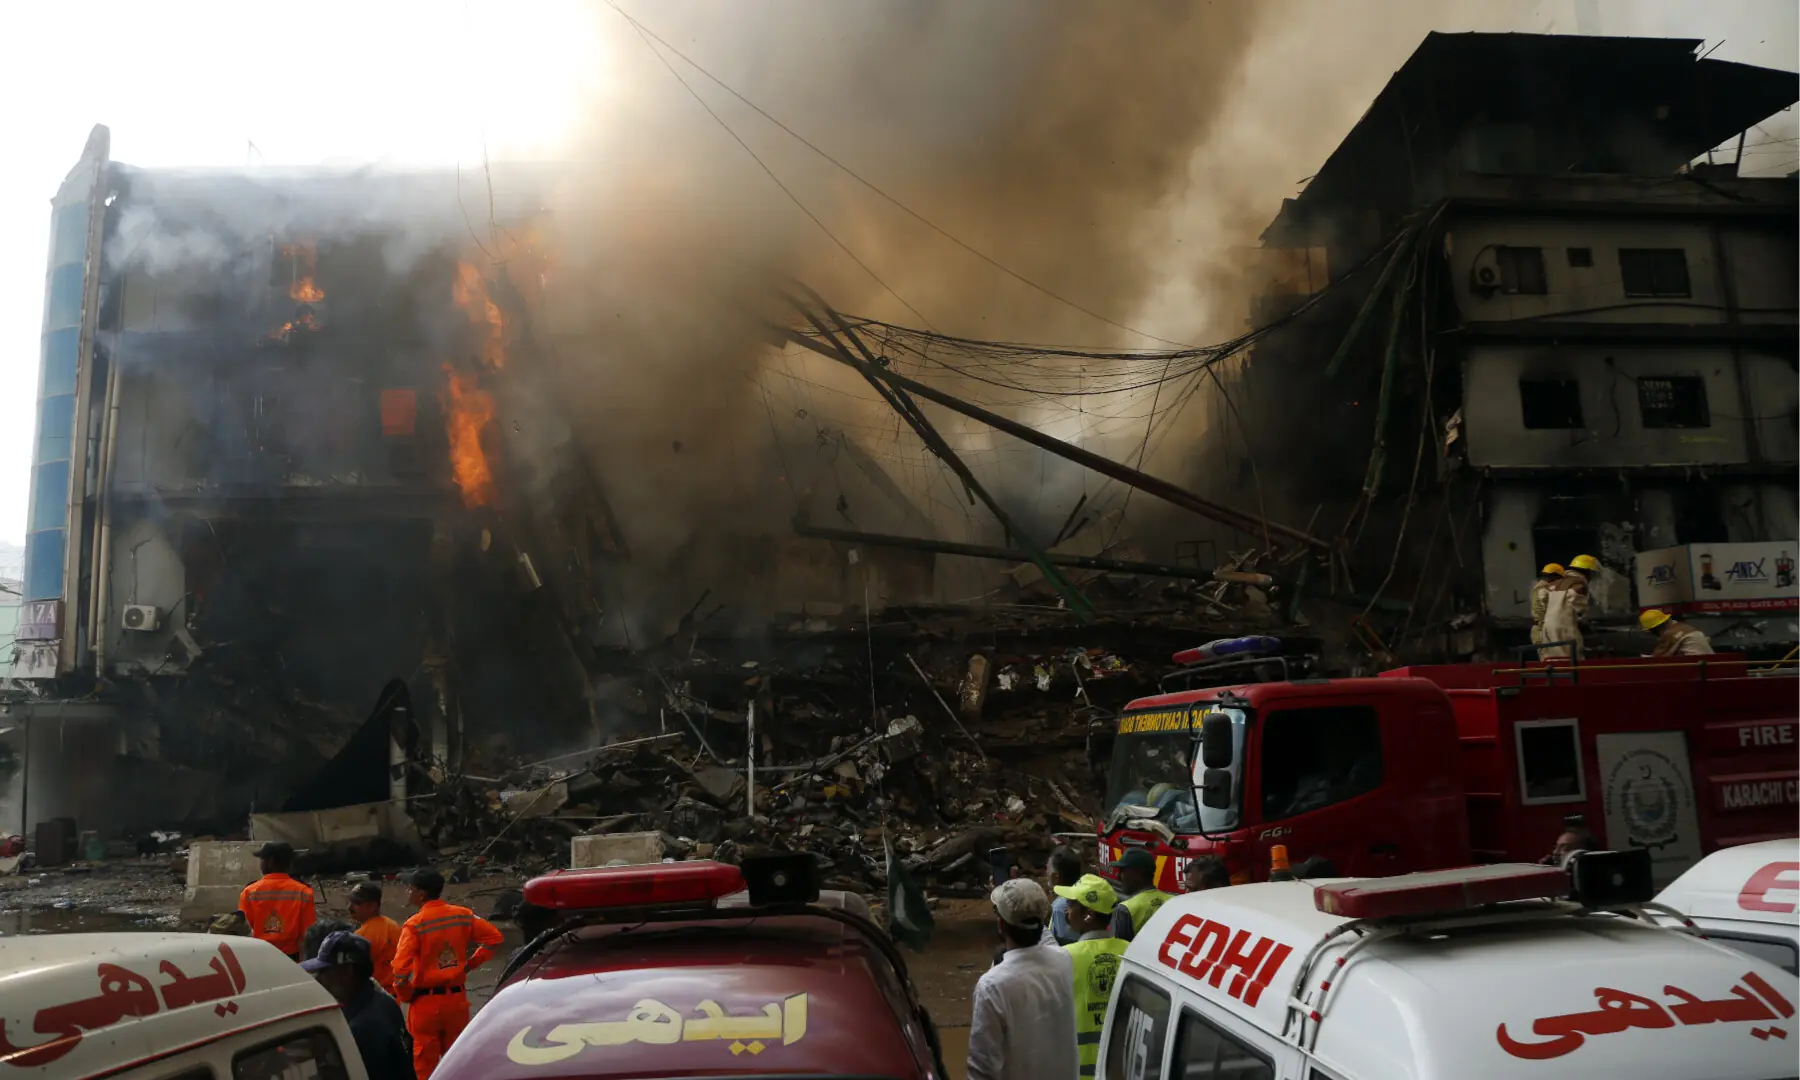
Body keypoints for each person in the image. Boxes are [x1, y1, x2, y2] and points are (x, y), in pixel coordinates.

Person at [392, 868, 506, 1080]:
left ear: (421, 894)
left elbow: (400, 970)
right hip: (456, 1001)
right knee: (458, 1060)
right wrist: (469, 965)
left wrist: (405, 994)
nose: (408, 891)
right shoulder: (462, 915)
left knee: (426, 1066)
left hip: (425, 1003)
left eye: (411, 888)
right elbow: (494, 938)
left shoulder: (415, 925)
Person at [966, 878, 1078, 1080]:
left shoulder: (992, 986)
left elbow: (982, 1068)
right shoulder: (1063, 961)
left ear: (1000, 924)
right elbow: (1041, 938)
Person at [303, 930, 415, 1080]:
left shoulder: (363, 1027)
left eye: (324, 971)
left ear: (347, 972)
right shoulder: (383, 1002)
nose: (319, 979)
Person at [1055, 874, 1127, 1079]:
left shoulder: (1064, 957)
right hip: (1120, 1070)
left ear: (1089, 914)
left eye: (1072, 904)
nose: (1066, 910)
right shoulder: (1131, 952)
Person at [238, 841, 316, 961]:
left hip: (258, 956)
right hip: (290, 958)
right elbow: (308, 933)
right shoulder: (304, 892)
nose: (260, 864)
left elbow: (243, 930)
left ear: (270, 861)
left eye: (262, 860)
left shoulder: (249, 892)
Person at [350, 882, 405, 996]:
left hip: (377, 995)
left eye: (356, 903)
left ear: (372, 906)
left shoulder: (361, 935)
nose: (350, 907)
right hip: (398, 995)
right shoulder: (394, 926)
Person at [1106, 849, 1171, 943]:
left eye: (1123, 871)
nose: (1118, 876)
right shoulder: (1172, 901)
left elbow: (1116, 949)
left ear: (1138, 873)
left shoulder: (1125, 909)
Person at [1541, 555, 1598, 660]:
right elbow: (1580, 607)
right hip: (1564, 627)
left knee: (1554, 661)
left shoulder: (1559, 578)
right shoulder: (1578, 582)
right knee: (1573, 659)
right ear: (1588, 571)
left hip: (1547, 627)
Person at [1046, 847, 1084, 947]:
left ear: (1055, 877)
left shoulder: (1061, 906)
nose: (1046, 873)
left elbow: (1065, 946)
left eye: (1047, 869)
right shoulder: (1084, 893)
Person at [1642, 609, 1713, 657]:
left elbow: (1658, 658)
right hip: (1708, 663)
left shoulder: (1669, 633)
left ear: (1656, 628)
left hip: (1695, 666)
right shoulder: (1684, 627)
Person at [1530, 563, 1565, 645]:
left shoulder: (1541, 588)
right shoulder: (1544, 589)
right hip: (1543, 630)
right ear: (1554, 577)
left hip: (1543, 629)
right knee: (1549, 656)